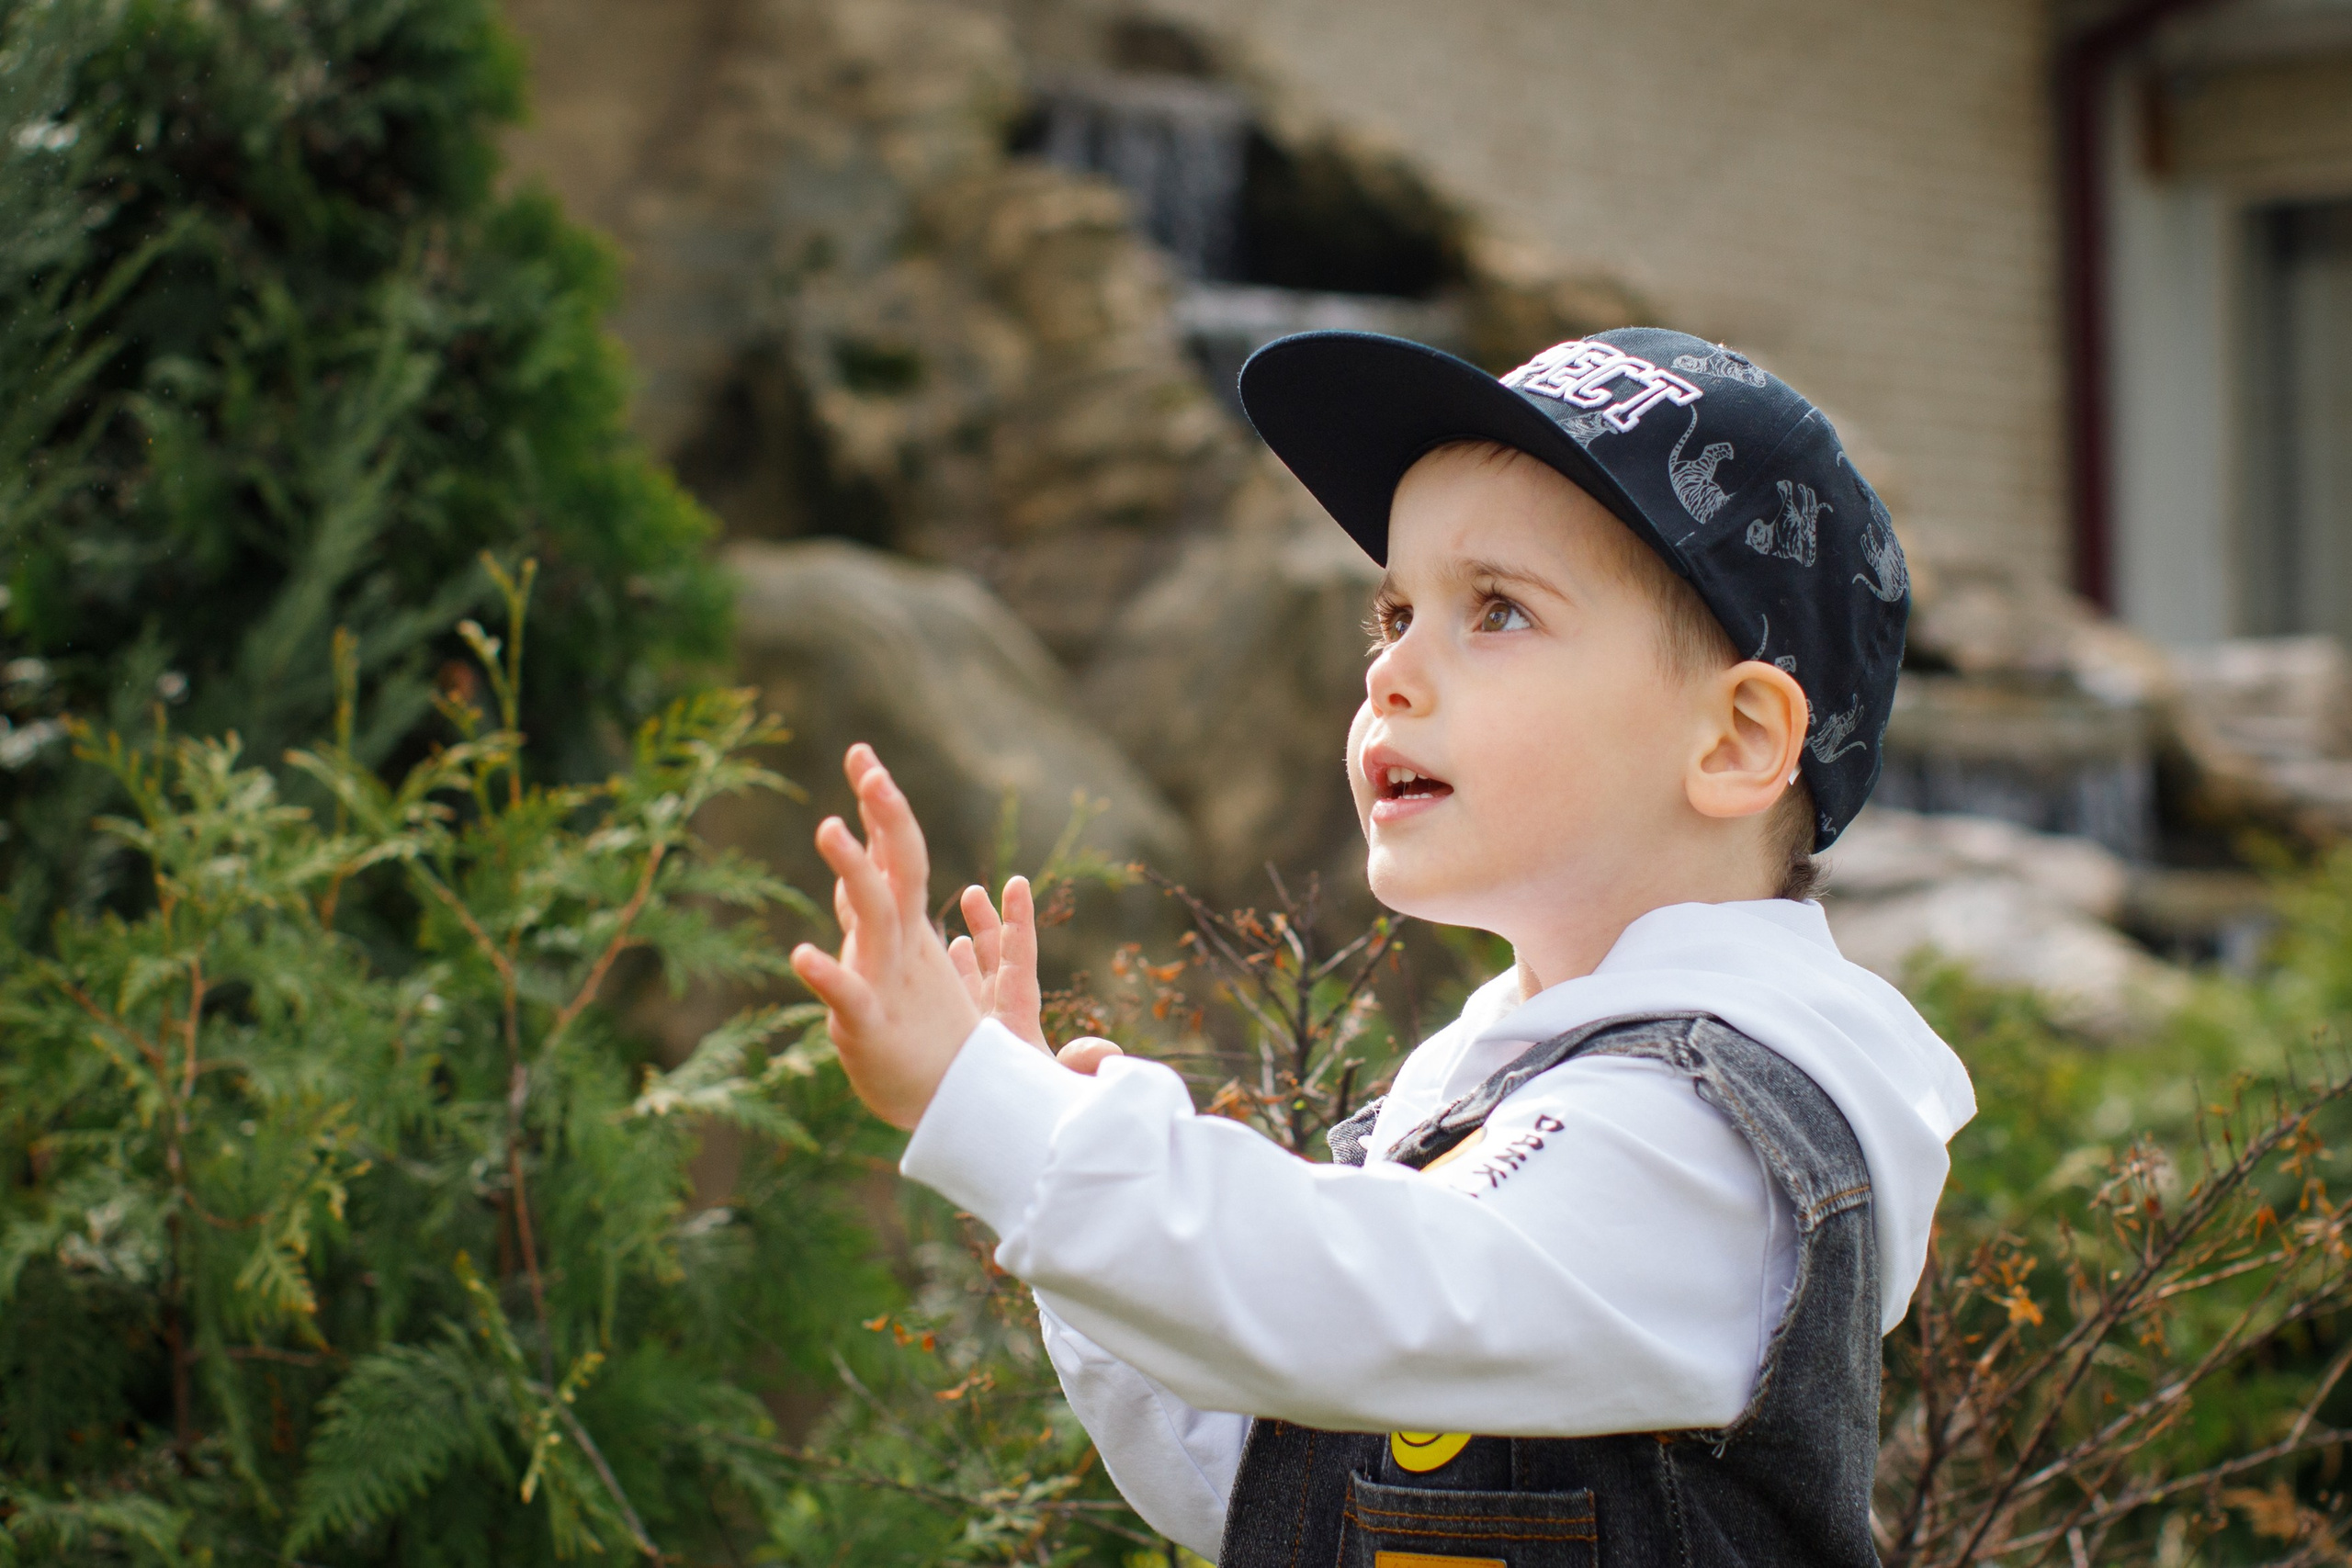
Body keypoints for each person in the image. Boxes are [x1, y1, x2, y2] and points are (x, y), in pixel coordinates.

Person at [788, 328, 1975, 1567]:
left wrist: (1004, 1117)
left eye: (1498, 611)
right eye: (1396, 612)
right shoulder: (1473, 1090)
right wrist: (1051, 1164)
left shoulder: (1709, 1144)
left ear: (1734, 741)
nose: (1393, 673)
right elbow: (1263, 1472)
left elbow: (1356, 1300)